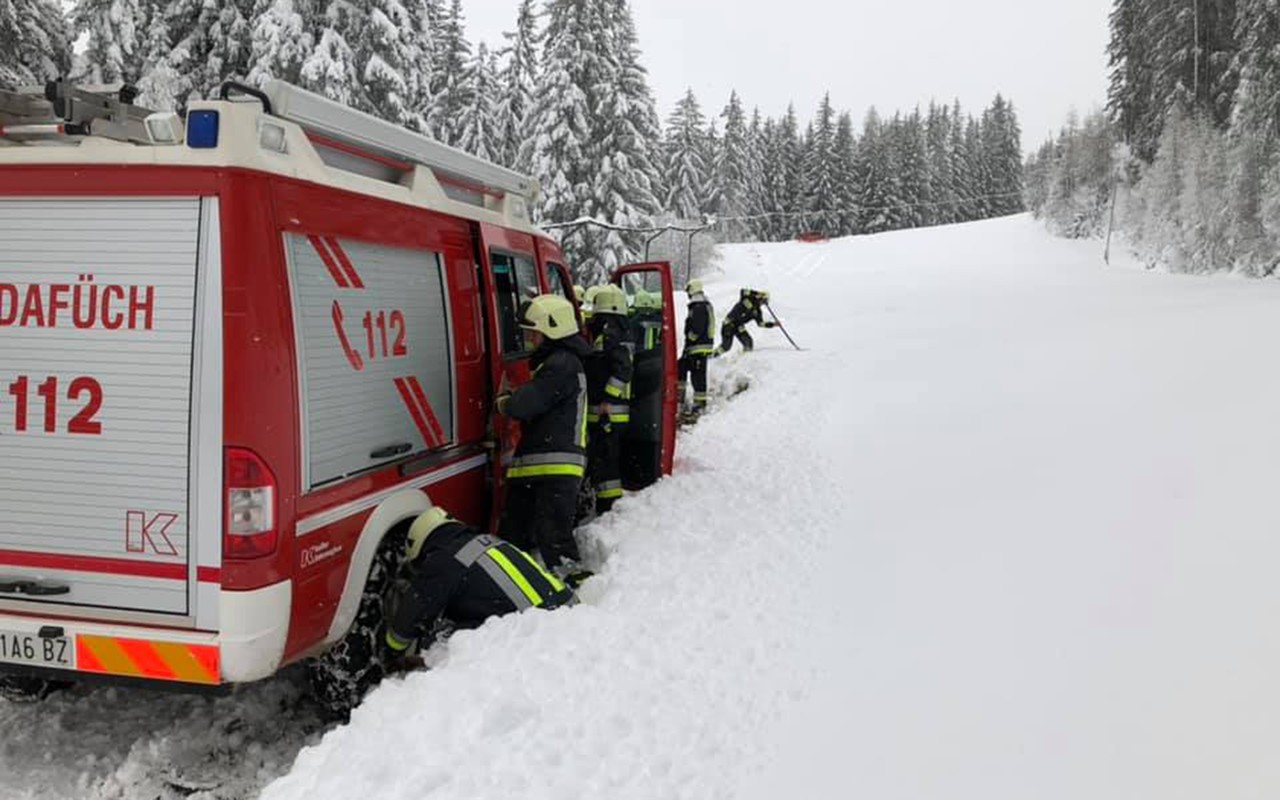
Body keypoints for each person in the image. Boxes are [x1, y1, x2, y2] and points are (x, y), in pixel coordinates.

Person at [383, 507, 576, 665]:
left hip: (533, 633)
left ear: (421, 548)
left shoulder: (442, 560)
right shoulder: (487, 541)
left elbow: (413, 615)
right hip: (569, 613)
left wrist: (391, 650)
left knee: (443, 639)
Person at [495, 293, 592, 578]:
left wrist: (504, 401)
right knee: (518, 533)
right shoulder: (563, 362)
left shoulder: (560, 364)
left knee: (553, 535)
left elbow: (524, 404)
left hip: (553, 466)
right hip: (544, 465)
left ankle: (576, 589)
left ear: (551, 331)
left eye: (533, 334)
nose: (529, 340)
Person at [584, 284, 634, 513]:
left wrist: (606, 399)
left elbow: (623, 370)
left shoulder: (610, 332)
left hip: (608, 413)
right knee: (604, 460)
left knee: (605, 462)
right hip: (611, 412)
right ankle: (606, 504)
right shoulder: (619, 331)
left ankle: (608, 508)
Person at [678, 279, 716, 416]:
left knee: (698, 376)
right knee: (681, 367)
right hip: (695, 347)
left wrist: (690, 338)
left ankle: (699, 405)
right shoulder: (699, 305)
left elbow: (697, 328)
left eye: (688, 290)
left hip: (698, 348)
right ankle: (679, 398)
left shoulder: (699, 306)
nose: (687, 293)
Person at [715, 288, 774, 355]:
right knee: (726, 347)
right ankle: (712, 356)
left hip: (739, 326)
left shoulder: (757, 312)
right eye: (763, 300)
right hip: (729, 323)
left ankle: (744, 360)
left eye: (764, 302)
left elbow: (761, 324)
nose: (762, 303)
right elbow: (743, 291)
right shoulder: (747, 298)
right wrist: (757, 293)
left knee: (748, 342)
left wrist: (773, 324)